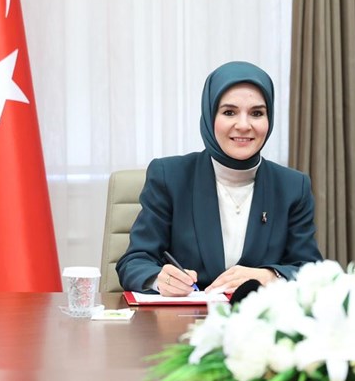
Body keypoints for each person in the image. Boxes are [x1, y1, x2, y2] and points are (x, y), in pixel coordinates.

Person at [117, 61, 322, 295]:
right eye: (229, 112)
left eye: (256, 113)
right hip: (185, 316)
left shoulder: (293, 187)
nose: (243, 125)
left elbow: (311, 271)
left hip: (260, 316)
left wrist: (270, 276)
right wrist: (158, 279)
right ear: (210, 115)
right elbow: (134, 262)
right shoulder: (170, 176)